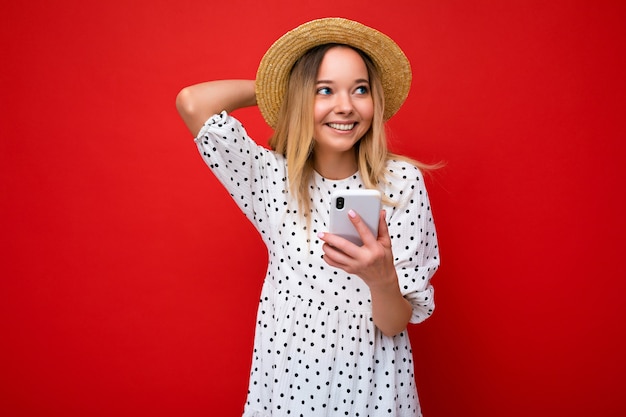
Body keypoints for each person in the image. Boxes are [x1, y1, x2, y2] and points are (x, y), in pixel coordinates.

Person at [176, 17, 440, 417]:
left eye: (360, 90)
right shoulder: (270, 179)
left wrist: (381, 278)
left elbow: (393, 324)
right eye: (325, 90)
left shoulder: (401, 182)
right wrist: (284, 90)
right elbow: (192, 102)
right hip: (287, 389)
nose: (345, 106)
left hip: (371, 389)